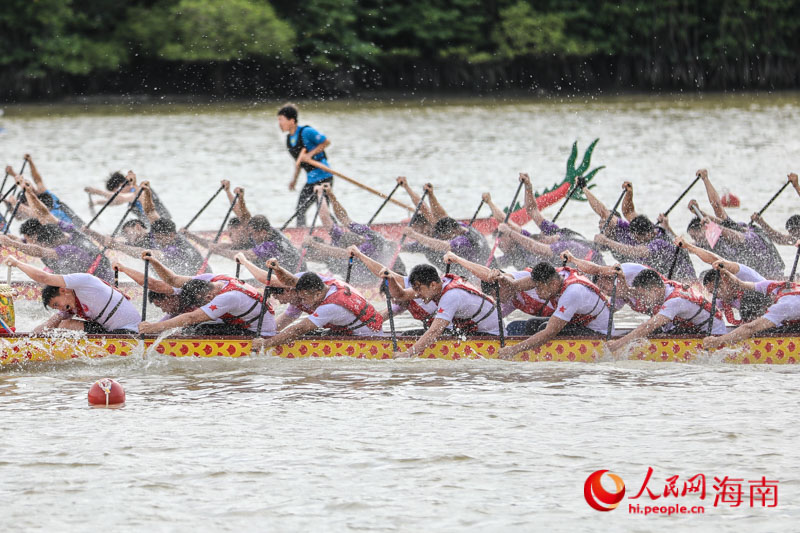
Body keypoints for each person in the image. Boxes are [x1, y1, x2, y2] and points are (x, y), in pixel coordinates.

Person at [496, 262, 611, 360]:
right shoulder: (555, 276)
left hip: (598, 332)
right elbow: (515, 285)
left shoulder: (572, 293)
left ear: (553, 284)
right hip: (580, 323)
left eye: (539, 288)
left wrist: (513, 350)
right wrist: (501, 278)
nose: (537, 292)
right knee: (532, 323)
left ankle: (533, 356)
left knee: (544, 328)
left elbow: (549, 332)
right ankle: (529, 356)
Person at [138, 256, 275, 337]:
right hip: (246, 323)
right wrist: (153, 261)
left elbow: (191, 317)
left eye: (202, 304)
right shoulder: (213, 279)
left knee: (197, 328)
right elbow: (173, 279)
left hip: (259, 333)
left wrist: (155, 327)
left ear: (209, 297)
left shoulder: (227, 297)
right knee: (198, 324)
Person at [254, 267, 384, 352]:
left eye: (304, 299)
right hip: (354, 331)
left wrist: (266, 343)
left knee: (304, 333)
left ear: (316, 294)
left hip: (368, 339)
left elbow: (298, 329)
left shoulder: (330, 307)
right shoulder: (327, 286)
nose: (302, 304)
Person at [686, 169, 784, 279]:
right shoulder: (706, 241)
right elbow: (686, 246)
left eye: (695, 236)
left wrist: (705, 179)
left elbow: (717, 206)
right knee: (705, 276)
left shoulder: (744, 237)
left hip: (771, 272)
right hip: (749, 272)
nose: (696, 240)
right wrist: (667, 227)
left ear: (706, 229)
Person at [389, 264, 501, 358]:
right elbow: (402, 295)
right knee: (409, 335)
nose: (417, 294)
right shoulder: (442, 282)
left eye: (419, 289)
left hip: (491, 335)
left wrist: (407, 354)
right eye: (415, 289)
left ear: (432, 285)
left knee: (420, 335)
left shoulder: (451, 295)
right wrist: (390, 279)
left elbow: (435, 331)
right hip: (473, 331)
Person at [6, 256, 139, 334]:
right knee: (60, 324)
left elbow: (43, 277)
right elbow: (48, 325)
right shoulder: (71, 305)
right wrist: (27, 339)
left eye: (57, 304)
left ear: (63, 290)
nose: (60, 308)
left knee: (66, 325)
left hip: (130, 331)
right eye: (55, 307)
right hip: (114, 332)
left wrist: (17, 263)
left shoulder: (83, 282)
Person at [606, 268, 726, 353]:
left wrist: (617, 344)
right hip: (692, 327)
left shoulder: (675, 301)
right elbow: (632, 291)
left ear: (654, 289)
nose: (643, 301)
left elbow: (648, 326)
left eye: (644, 296)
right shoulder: (666, 285)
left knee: (650, 330)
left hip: (712, 334)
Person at [303, 183, 405, 281]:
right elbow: (325, 217)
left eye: (357, 237)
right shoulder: (341, 238)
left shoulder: (369, 239)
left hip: (391, 269)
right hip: (363, 273)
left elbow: (344, 220)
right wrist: (323, 194)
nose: (355, 236)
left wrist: (313, 244)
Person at [703, 257, 800, 350]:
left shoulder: (782, 306)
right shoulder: (768, 286)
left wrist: (717, 341)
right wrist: (726, 273)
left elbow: (750, 328)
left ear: (764, 309)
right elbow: (740, 284)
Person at [346, 246, 438, 333]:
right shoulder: (402, 302)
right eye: (391, 299)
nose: (394, 301)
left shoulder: (414, 286)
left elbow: (382, 271)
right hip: (433, 330)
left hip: (445, 329)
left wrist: (359, 255)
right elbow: (377, 319)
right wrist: (350, 324)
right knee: (406, 335)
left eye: (393, 296)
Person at [594, 214, 695, 283]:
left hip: (686, 279)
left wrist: (607, 241)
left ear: (648, 234)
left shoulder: (659, 242)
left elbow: (636, 252)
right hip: (674, 277)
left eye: (638, 239)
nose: (638, 242)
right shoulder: (659, 231)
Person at [278, 104, 332, 227]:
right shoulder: (289, 139)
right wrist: (294, 180)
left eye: (281, 120)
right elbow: (298, 163)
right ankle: (301, 235)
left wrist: (310, 155)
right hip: (311, 180)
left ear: (292, 121)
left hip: (324, 176)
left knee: (323, 212)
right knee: (300, 210)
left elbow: (326, 142)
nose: (279, 124)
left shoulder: (306, 132)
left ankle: (333, 235)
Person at [84, 170, 171, 225]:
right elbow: (115, 202)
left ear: (121, 185)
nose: (115, 195)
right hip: (153, 228)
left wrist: (97, 192)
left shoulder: (140, 190)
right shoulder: (131, 196)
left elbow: (120, 198)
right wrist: (96, 202)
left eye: (115, 192)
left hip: (163, 227)